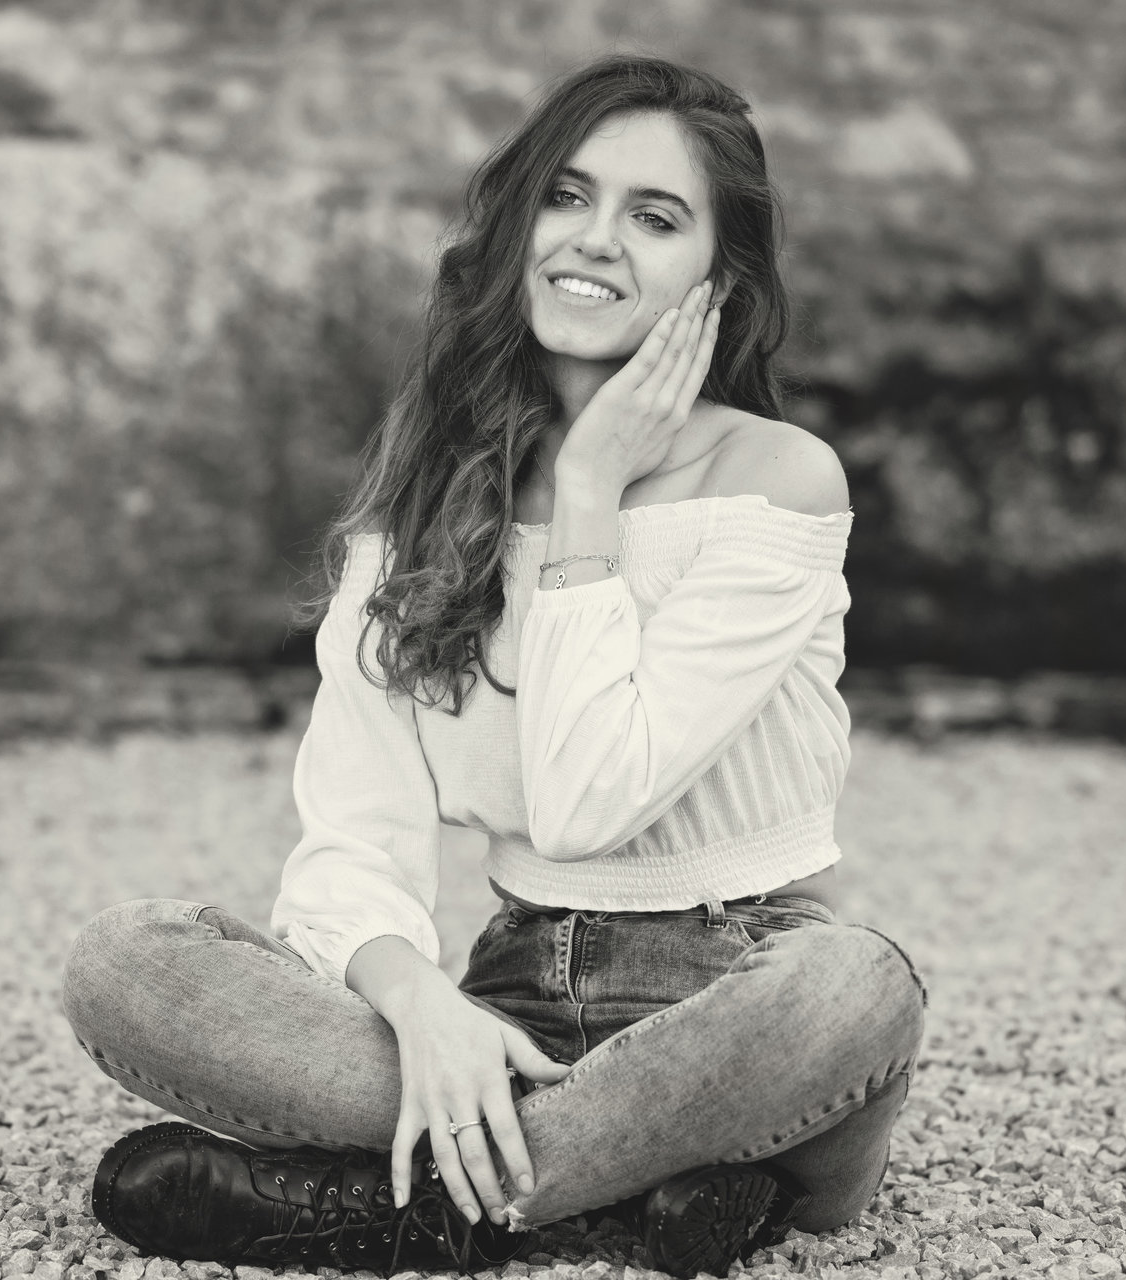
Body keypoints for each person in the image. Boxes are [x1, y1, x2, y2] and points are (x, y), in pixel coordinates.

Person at [61, 53, 926, 1278]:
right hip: (511, 1001)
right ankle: (608, 1185)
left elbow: (587, 802)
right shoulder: (424, 507)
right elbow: (353, 839)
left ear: (718, 280)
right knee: (124, 961)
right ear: (517, 225)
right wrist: (425, 1009)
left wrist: (589, 490)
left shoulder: (774, 483)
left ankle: (410, 1194)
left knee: (857, 984)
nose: (596, 238)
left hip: (742, 998)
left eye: (655, 217)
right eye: (566, 196)